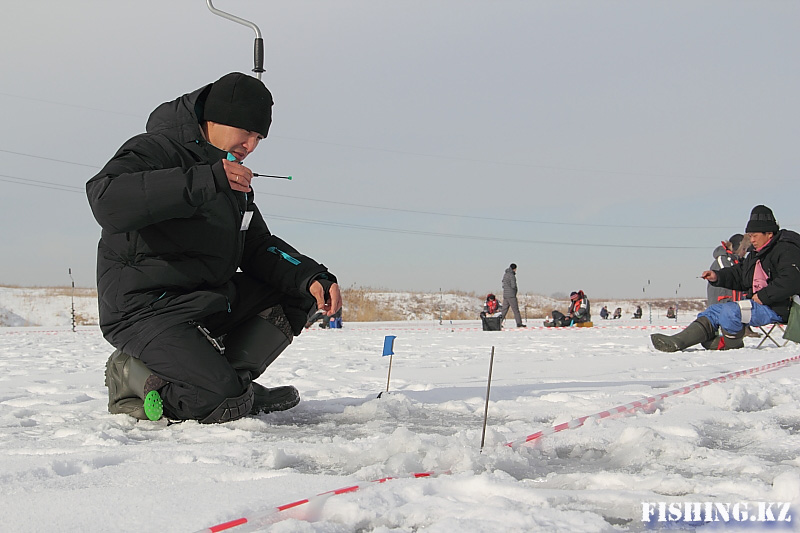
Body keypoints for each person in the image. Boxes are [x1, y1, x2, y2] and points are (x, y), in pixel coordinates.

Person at [86, 72, 342, 423]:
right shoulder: (154, 149)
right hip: (145, 310)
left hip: (206, 299)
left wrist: (311, 276)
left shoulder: (233, 180)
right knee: (222, 403)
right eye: (245, 131)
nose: (250, 145)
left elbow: (256, 246)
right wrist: (205, 180)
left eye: (258, 137)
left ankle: (235, 383)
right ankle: (138, 378)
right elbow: (106, 199)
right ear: (216, 118)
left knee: (297, 291)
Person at [651, 205, 800, 352]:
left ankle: (729, 344)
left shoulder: (787, 249)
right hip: (759, 305)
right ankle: (677, 342)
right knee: (713, 311)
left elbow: (792, 279)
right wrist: (717, 276)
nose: (752, 240)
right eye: (750, 236)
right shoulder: (756, 254)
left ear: (769, 233)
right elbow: (740, 274)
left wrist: (763, 295)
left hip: (779, 308)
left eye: (755, 235)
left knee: (731, 310)